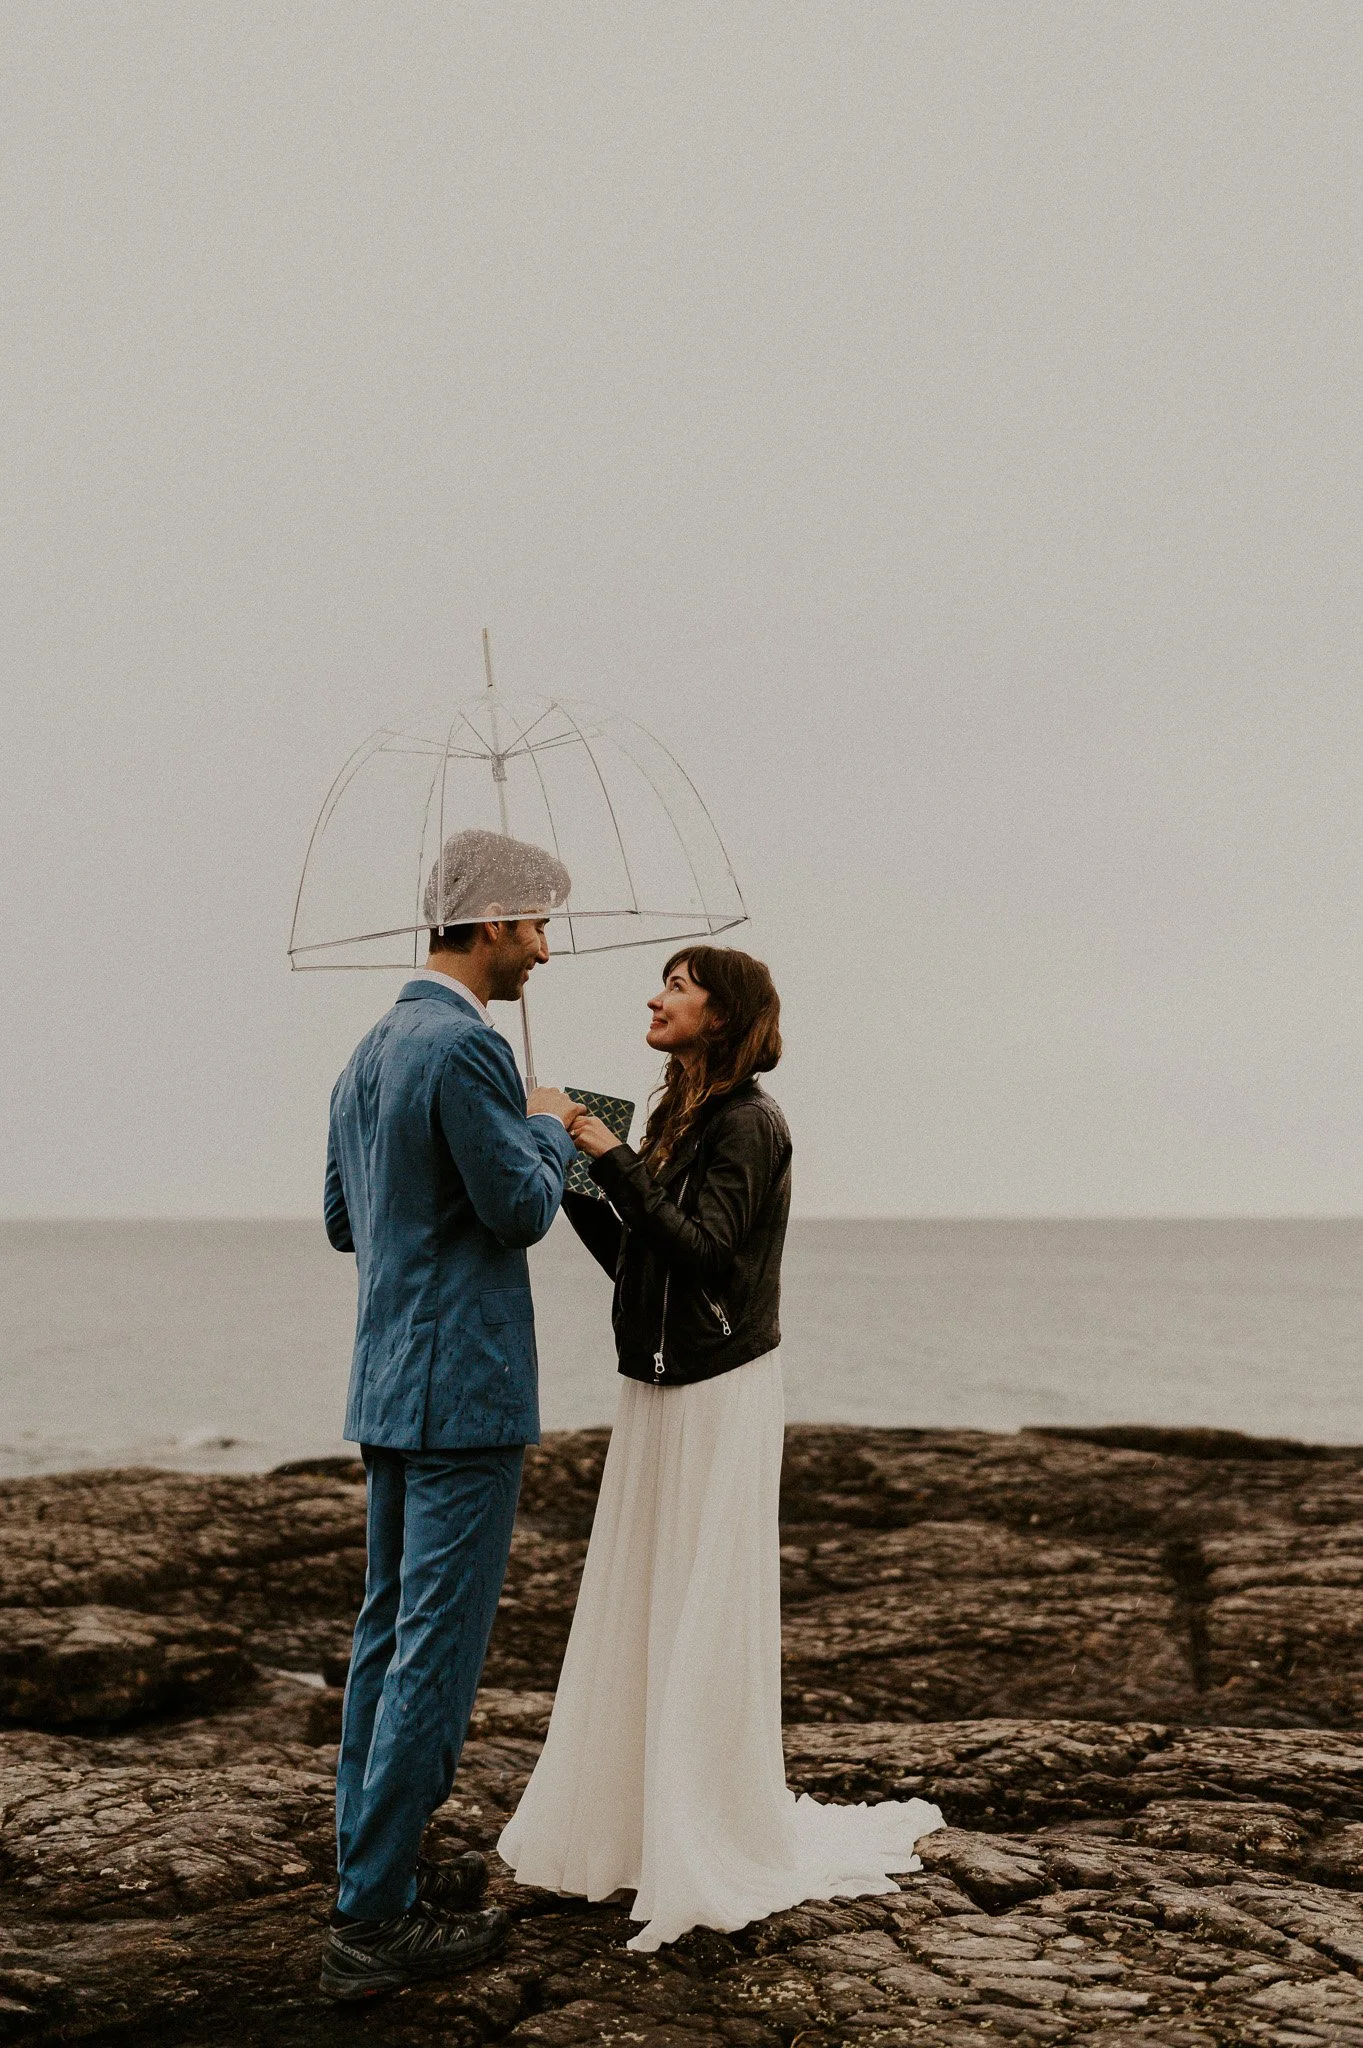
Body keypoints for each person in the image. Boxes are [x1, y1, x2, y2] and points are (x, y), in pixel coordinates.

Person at [498, 945, 943, 1951]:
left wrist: (602, 1149)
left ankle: (704, 1825)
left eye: (679, 987)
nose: (655, 998)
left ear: (721, 1011)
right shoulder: (672, 1118)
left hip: (718, 1380)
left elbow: (706, 1251)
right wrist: (573, 1168)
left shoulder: (749, 1121)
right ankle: (633, 1824)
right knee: (648, 1595)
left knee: (698, 1601)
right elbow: (634, 1255)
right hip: (655, 1376)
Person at [319, 828, 586, 2002]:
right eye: (533, 924)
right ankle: (373, 1920)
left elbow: (344, 1219)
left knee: (384, 1641)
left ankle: (369, 1881)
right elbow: (522, 1209)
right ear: (483, 924)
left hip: (386, 1381)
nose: (542, 945)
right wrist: (543, 1118)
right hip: (465, 1390)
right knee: (435, 1647)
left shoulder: (368, 1051)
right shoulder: (467, 1050)